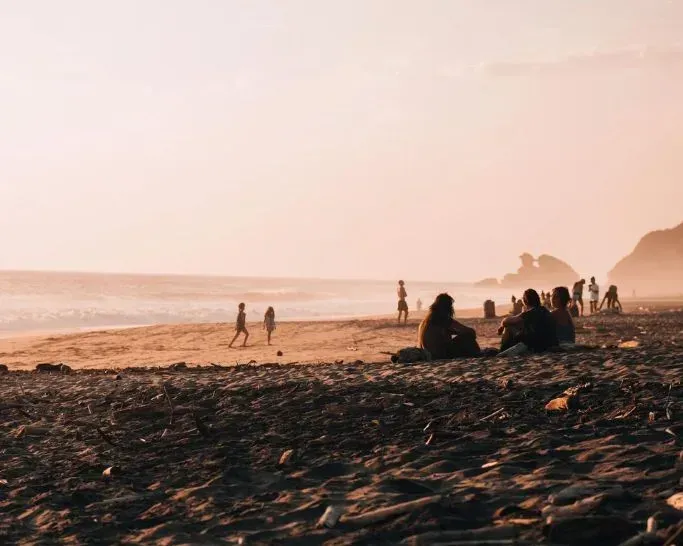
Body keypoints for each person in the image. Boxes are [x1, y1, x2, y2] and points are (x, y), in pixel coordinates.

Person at [418, 293, 481, 359]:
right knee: (467, 336)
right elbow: (469, 330)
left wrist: (456, 332)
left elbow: (440, 333)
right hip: (440, 354)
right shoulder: (442, 317)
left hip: (429, 355)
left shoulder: (426, 320)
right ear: (447, 306)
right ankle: (478, 354)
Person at [498, 288, 558, 353]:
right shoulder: (545, 310)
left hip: (535, 344)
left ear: (525, 301)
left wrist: (501, 326)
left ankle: (502, 350)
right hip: (549, 343)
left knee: (508, 328)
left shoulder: (529, 313)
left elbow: (506, 321)